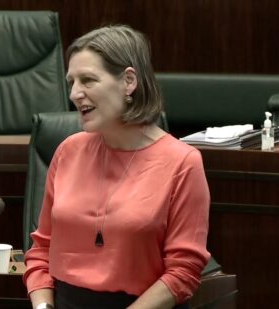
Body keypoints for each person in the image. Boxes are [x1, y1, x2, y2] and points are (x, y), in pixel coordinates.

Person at [23, 25, 211, 309]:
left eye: (87, 80)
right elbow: (41, 252)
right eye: (71, 82)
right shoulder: (67, 152)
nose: (74, 94)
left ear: (129, 81)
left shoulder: (182, 162)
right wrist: (42, 306)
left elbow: (183, 272)